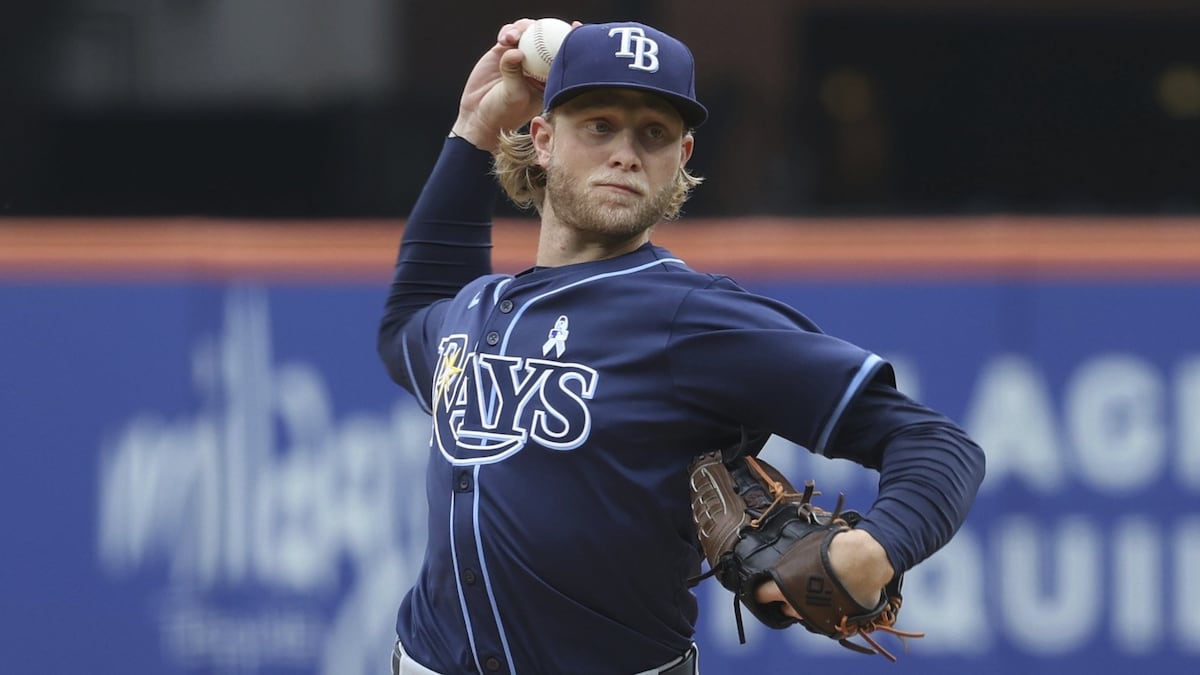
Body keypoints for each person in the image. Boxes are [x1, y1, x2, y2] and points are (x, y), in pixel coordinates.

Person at [377, 18, 985, 675]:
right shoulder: (474, 308)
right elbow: (407, 318)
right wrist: (474, 127)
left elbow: (937, 443)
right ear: (544, 140)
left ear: (681, 159)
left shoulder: (693, 318)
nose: (626, 153)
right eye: (599, 124)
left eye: (654, 134)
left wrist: (877, 545)